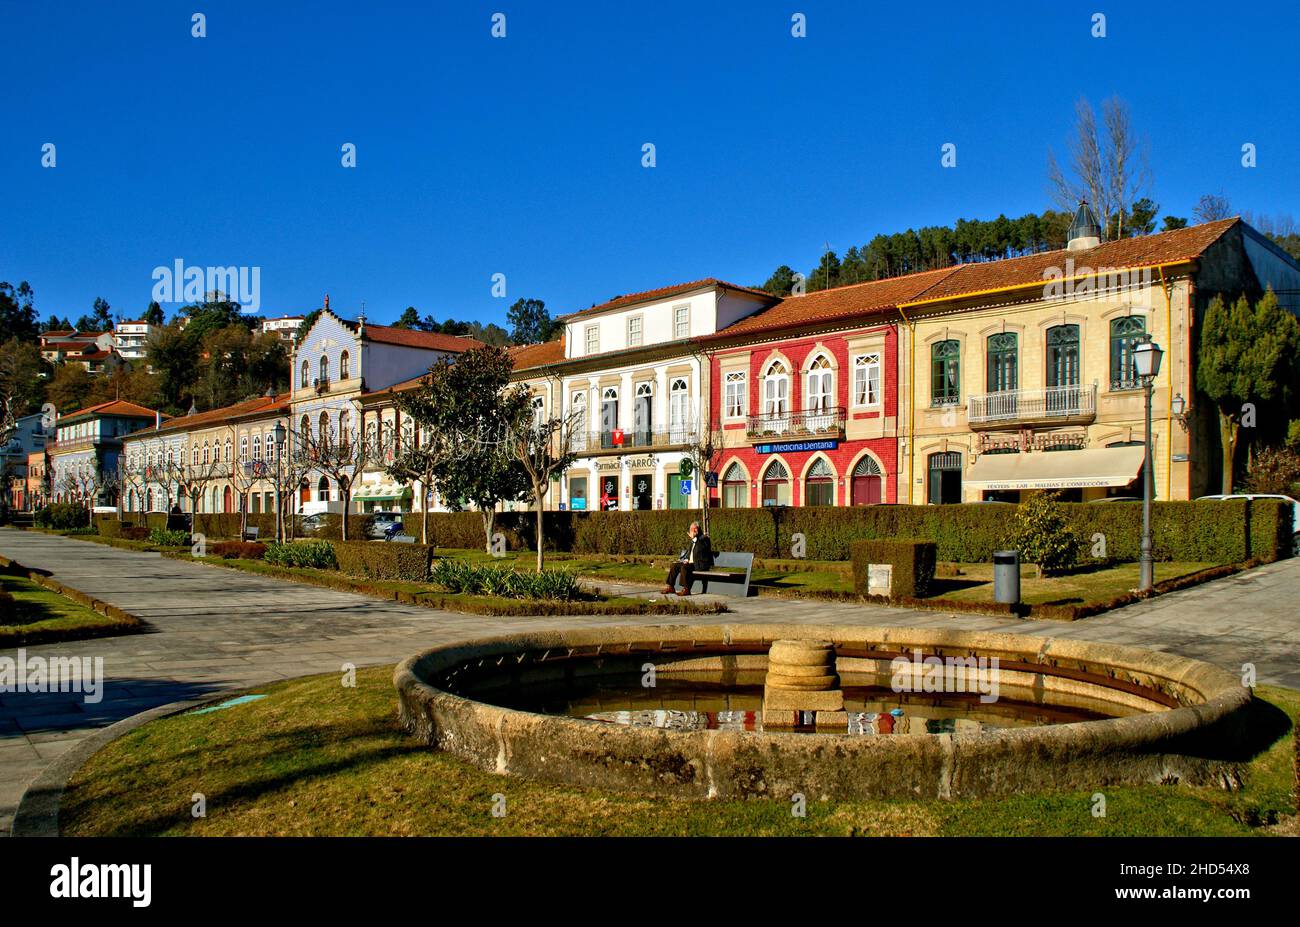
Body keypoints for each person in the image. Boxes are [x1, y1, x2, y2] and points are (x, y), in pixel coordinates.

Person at [662, 521, 713, 596]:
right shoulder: (693, 540)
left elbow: (702, 549)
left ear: (696, 529)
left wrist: (694, 539)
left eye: (692, 529)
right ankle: (671, 587)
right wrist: (686, 559)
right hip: (691, 563)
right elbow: (690, 552)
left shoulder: (704, 538)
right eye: (691, 530)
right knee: (674, 565)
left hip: (700, 564)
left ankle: (686, 589)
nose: (691, 531)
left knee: (685, 567)